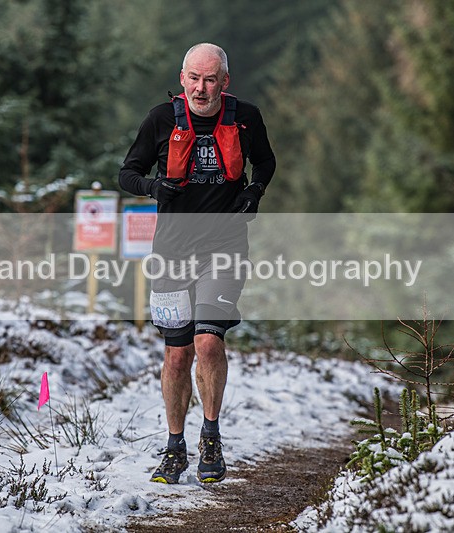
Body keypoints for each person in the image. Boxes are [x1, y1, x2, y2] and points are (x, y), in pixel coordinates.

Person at [118, 43, 276, 484]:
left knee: (208, 343)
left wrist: (254, 192)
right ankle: (174, 446)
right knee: (177, 353)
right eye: (194, 78)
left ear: (225, 82)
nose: (201, 88)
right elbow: (126, 172)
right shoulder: (161, 119)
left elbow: (265, 161)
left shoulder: (246, 116)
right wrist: (153, 187)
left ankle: (210, 436)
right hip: (171, 253)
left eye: (211, 79)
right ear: (182, 77)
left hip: (224, 249)